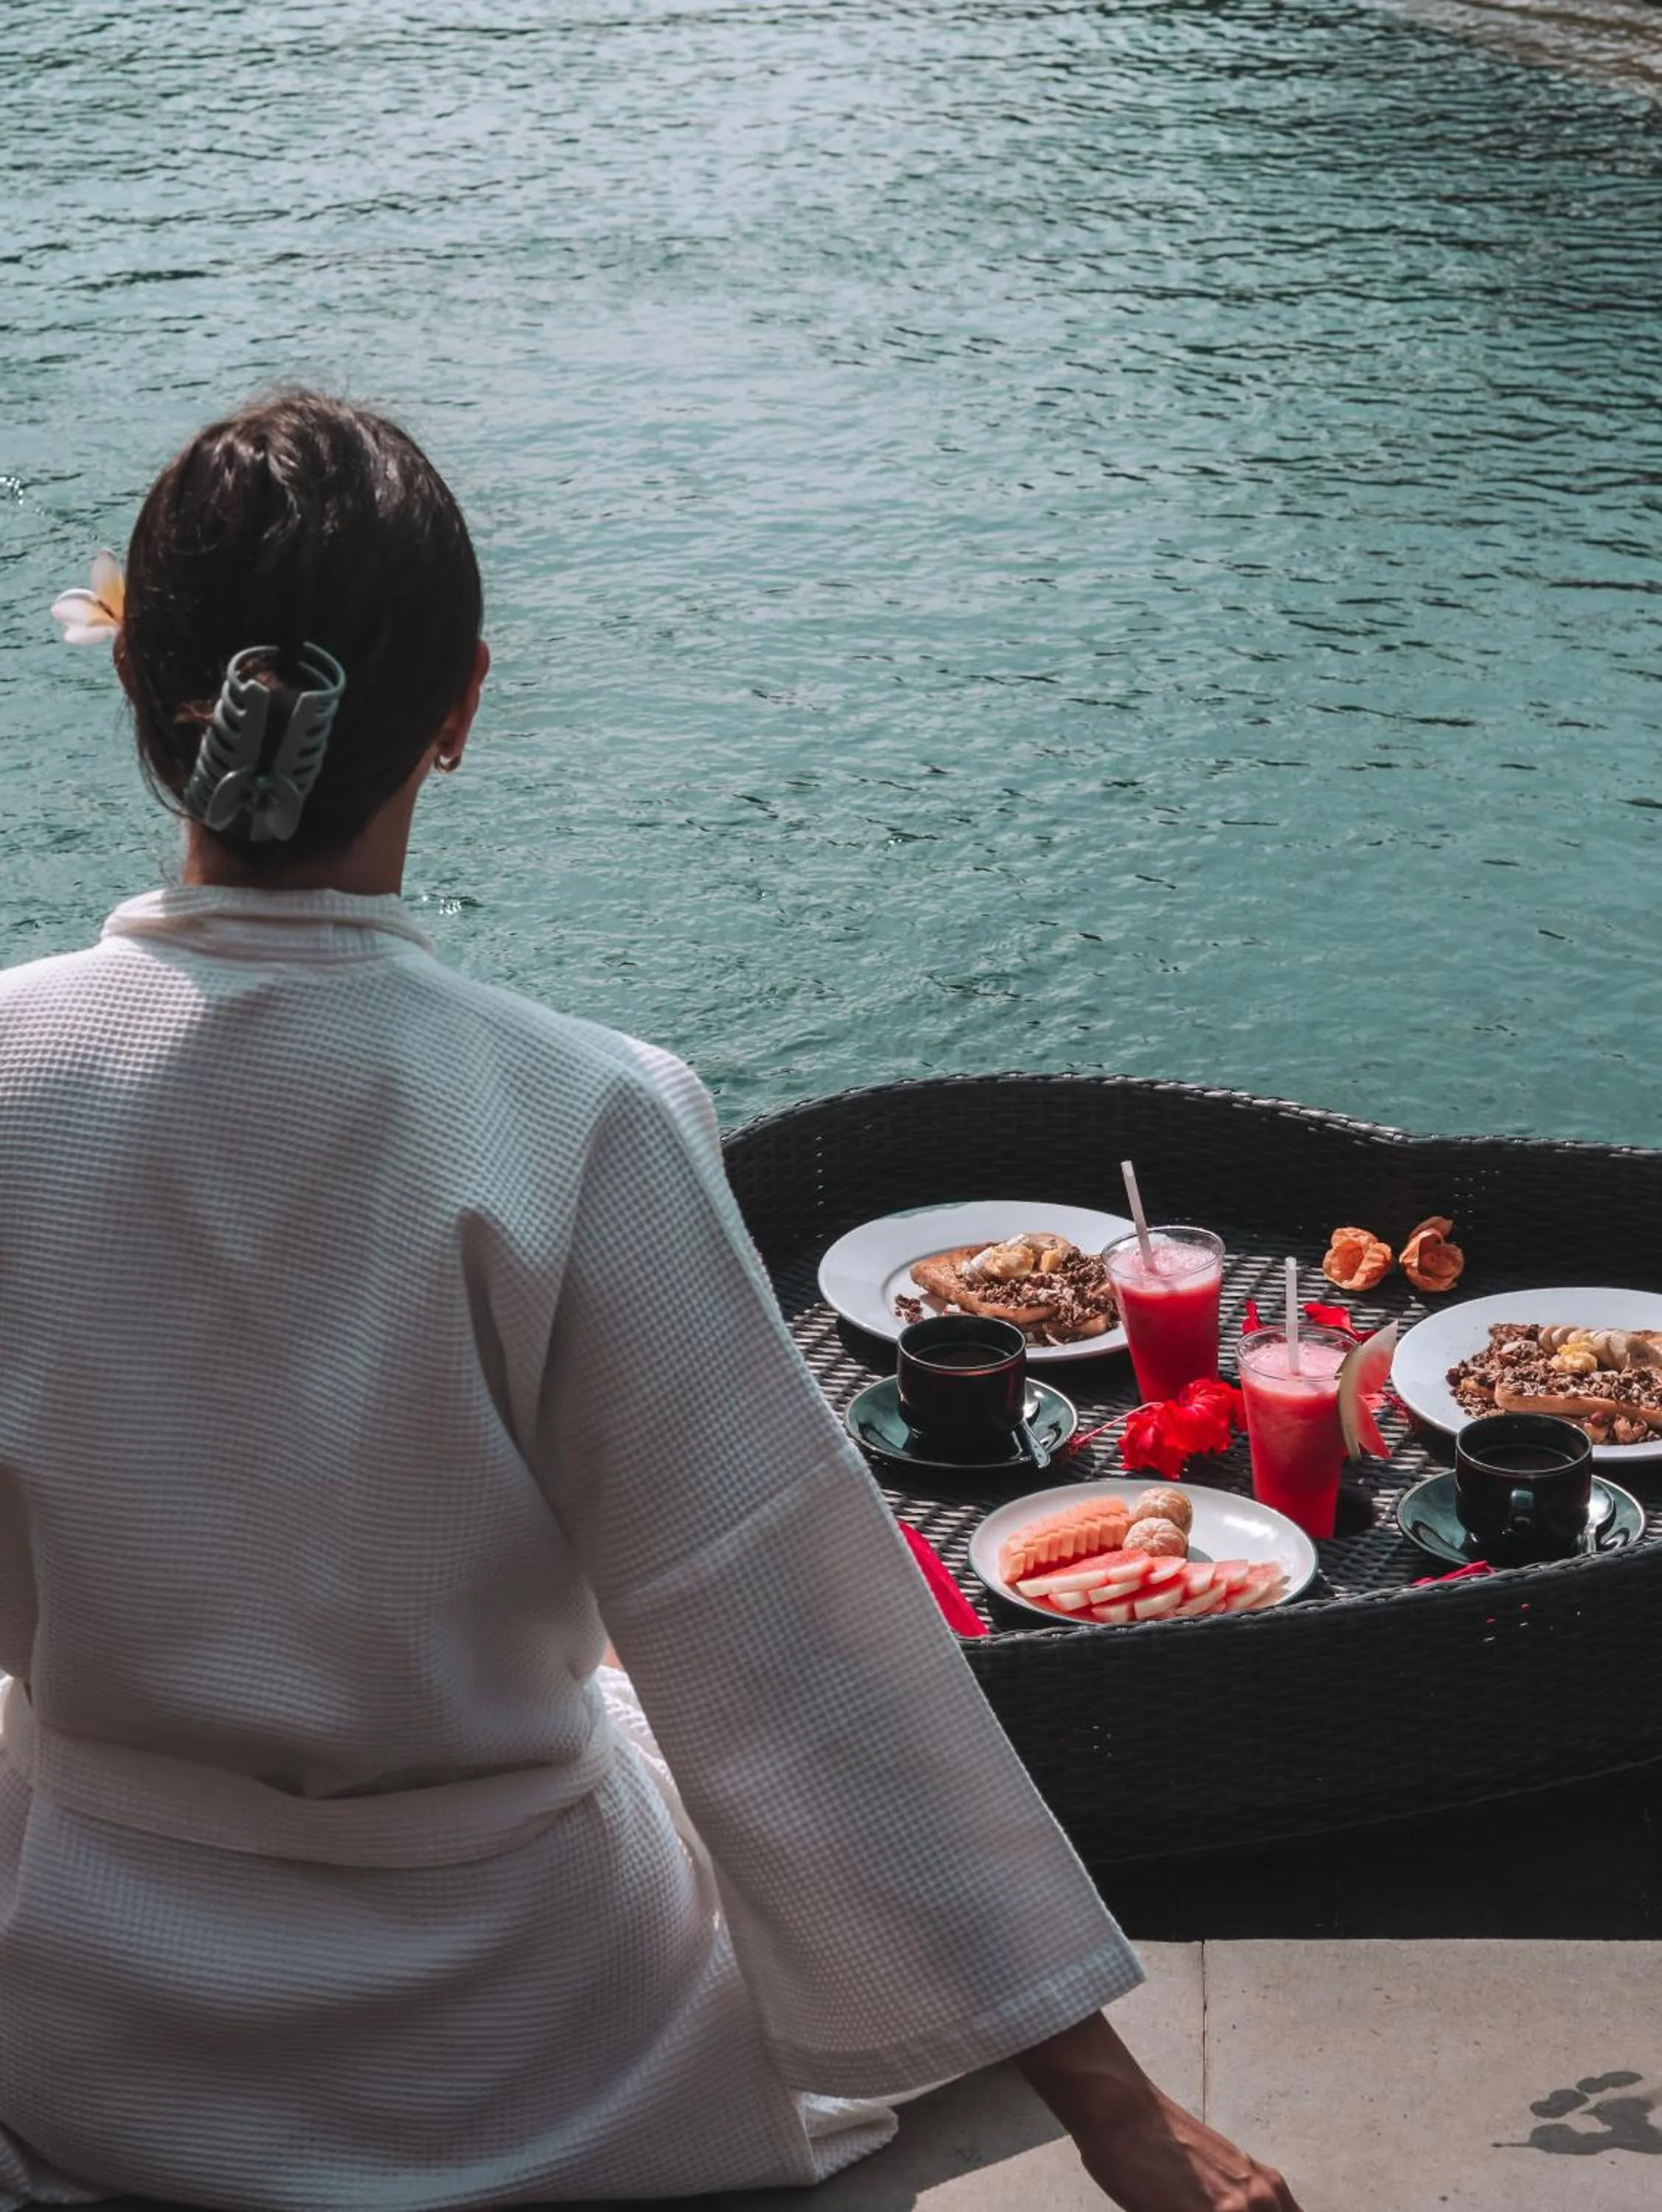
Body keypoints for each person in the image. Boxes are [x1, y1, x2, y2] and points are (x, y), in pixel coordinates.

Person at [0, 392, 1299, 2211]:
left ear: (139, 687)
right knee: (640, 1700)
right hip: (507, 2054)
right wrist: (1115, 2117)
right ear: (459, 708)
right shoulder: (581, 1114)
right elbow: (791, 1653)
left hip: (101, 2023)